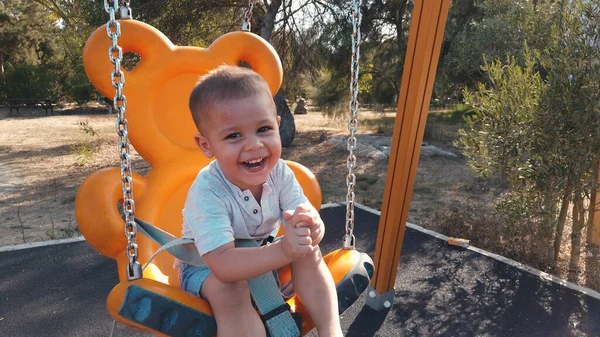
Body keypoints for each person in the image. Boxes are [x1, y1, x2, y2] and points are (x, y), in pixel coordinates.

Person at [179, 65, 342, 337]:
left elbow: (302, 218)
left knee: (308, 250)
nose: (254, 145)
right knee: (230, 290)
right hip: (206, 266)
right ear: (206, 145)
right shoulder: (207, 191)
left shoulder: (280, 172)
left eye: (263, 129)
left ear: (277, 126)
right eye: (234, 135)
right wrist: (284, 252)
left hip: (260, 254)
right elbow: (223, 264)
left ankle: (331, 331)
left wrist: (311, 228)